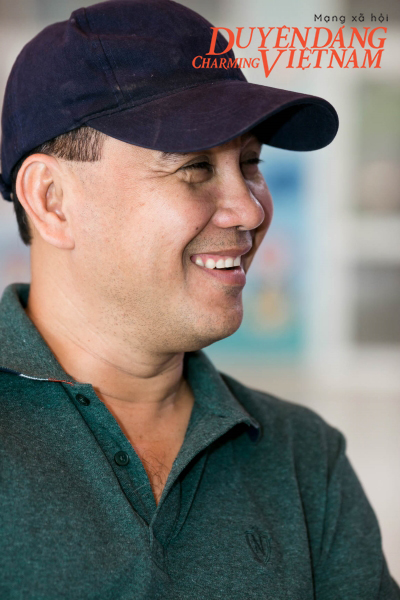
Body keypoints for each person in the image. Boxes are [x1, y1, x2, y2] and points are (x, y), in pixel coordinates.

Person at [0, 1, 398, 598]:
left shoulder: (303, 459)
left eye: (250, 163)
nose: (250, 211)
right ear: (53, 200)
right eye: (195, 167)